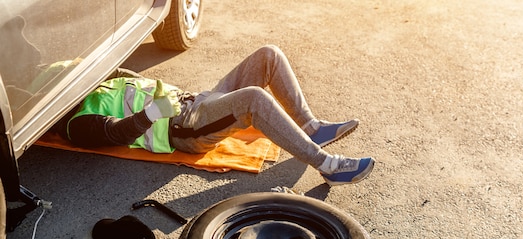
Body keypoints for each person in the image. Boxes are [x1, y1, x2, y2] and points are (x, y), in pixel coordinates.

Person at [60, 45, 374, 186]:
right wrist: (154, 112)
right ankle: (326, 164)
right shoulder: (78, 123)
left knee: (268, 55)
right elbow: (117, 134)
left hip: (197, 101)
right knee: (254, 100)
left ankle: (311, 128)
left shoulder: (101, 80)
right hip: (185, 127)